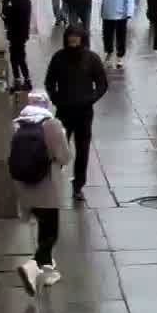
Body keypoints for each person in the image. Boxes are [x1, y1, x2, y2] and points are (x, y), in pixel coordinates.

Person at [9, 91, 71, 294]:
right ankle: (32, 267)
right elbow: (64, 157)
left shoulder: (17, 124)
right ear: (45, 105)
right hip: (47, 189)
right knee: (50, 234)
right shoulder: (51, 125)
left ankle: (48, 271)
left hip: (25, 189)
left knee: (44, 231)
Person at [43, 25, 108, 202]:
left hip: (84, 112)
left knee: (82, 149)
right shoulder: (59, 58)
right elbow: (49, 82)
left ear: (82, 38)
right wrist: (56, 99)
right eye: (70, 36)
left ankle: (78, 185)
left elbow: (102, 84)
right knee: (57, 148)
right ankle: (53, 181)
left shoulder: (92, 59)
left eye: (76, 36)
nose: (73, 39)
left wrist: (91, 99)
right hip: (64, 110)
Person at [98, 0, 136, 70]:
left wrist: (129, 12)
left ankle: (120, 56)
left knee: (120, 36)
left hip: (121, 15)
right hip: (107, 13)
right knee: (107, 35)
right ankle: (109, 52)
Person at [2, 0, 34, 91]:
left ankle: (18, 81)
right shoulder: (26, 2)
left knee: (15, 59)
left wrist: (5, 1)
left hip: (15, 35)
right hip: (22, 35)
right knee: (21, 58)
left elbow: (7, 12)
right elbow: (17, 1)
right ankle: (26, 80)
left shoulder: (18, 4)